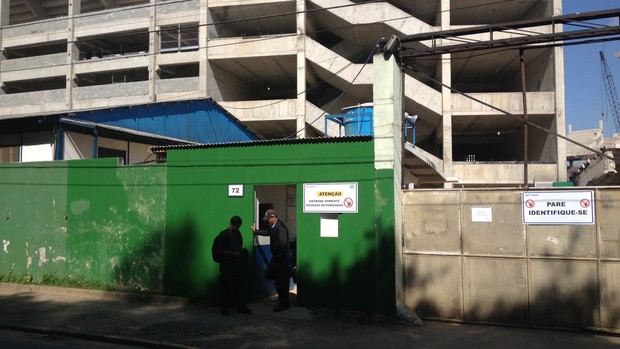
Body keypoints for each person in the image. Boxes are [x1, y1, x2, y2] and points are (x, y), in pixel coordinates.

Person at [251, 209, 292, 312]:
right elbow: (268, 232)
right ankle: (282, 299)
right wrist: (256, 231)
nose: (267, 221)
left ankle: (284, 304)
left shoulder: (280, 228)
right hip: (279, 258)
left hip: (282, 259)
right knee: (274, 277)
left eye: (268, 219)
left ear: (274, 218)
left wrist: (277, 260)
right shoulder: (274, 226)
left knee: (282, 281)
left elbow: (282, 246)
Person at [215, 215, 252, 316]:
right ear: (231, 225)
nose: (238, 228)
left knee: (240, 286)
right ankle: (224, 308)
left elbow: (239, 246)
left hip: (237, 264)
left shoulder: (238, 234)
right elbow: (220, 250)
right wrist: (233, 254)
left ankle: (241, 306)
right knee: (226, 287)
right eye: (236, 226)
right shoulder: (223, 235)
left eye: (239, 226)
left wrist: (240, 251)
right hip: (227, 265)